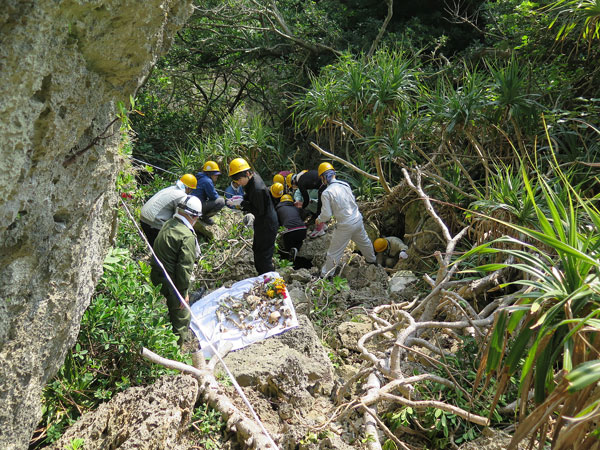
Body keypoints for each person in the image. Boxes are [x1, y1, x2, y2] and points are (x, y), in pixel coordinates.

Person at [150, 195, 202, 346]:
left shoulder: (169, 223)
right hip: (171, 280)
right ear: (193, 216)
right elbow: (184, 268)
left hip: (157, 274)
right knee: (182, 315)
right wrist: (183, 293)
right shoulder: (187, 236)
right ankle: (175, 353)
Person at [316, 162, 376, 278]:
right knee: (365, 242)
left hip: (345, 225)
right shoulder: (345, 184)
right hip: (357, 219)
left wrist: (319, 220)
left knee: (334, 252)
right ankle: (372, 261)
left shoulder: (327, 193)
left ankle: (325, 275)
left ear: (324, 177)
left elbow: (327, 215)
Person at [228, 158, 278, 275]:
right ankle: (263, 276)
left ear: (247, 173)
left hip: (267, 223)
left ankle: (270, 280)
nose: (239, 183)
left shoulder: (257, 188)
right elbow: (251, 198)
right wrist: (243, 199)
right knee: (257, 249)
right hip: (262, 222)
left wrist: (241, 204)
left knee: (264, 255)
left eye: (240, 180)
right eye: (236, 181)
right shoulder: (252, 179)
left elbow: (258, 210)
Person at [140, 173, 197, 246]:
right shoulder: (182, 196)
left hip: (144, 217)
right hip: (153, 222)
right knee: (164, 247)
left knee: (154, 244)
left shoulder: (171, 188)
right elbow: (179, 217)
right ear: (189, 188)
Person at [291, 169, 327, 235]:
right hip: (325, 182)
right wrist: (298, 200)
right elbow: (298, 193)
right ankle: (322, 225)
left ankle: (319, 229)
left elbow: (306, 200)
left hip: (323, 187)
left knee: (320, 208)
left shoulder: (301, 183)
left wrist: (302, 206)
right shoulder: (306, 178)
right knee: (320, 207)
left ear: (294, 182)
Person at [275, 194, 307, 262]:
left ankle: (288, 260)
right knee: (299, 242)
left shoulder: (278, 209)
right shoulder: (295, 208)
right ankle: (296, 249)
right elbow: (303, 215)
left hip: (289, 231)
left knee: (288, 248)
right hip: (302, 229)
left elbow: (278, 222)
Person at [192, 161, 225, 225]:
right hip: (197, 206)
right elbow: (214, 196)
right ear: (210, 174)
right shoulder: (207, 181)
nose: (217, 176)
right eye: (216, 174)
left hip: (192, 204)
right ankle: (204, 217)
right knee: (221, 201)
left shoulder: (199, 177)